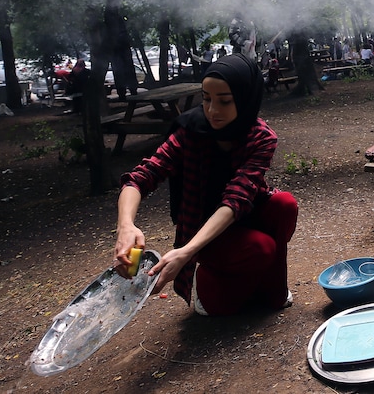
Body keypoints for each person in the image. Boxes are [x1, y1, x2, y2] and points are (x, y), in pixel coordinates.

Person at [113, 54, 298, 315]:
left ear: (245, 99)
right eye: (206, 98)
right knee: (259, 250)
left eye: (224, 101)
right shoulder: (190, 132)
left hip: (239, 215)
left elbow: (236, 199)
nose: (212, 110)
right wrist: (126, 225)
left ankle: (273, 290)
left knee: (284, 204)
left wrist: (184, 253)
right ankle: (208, 287)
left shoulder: (260, 138)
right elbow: (141, 177)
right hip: (201, 229)